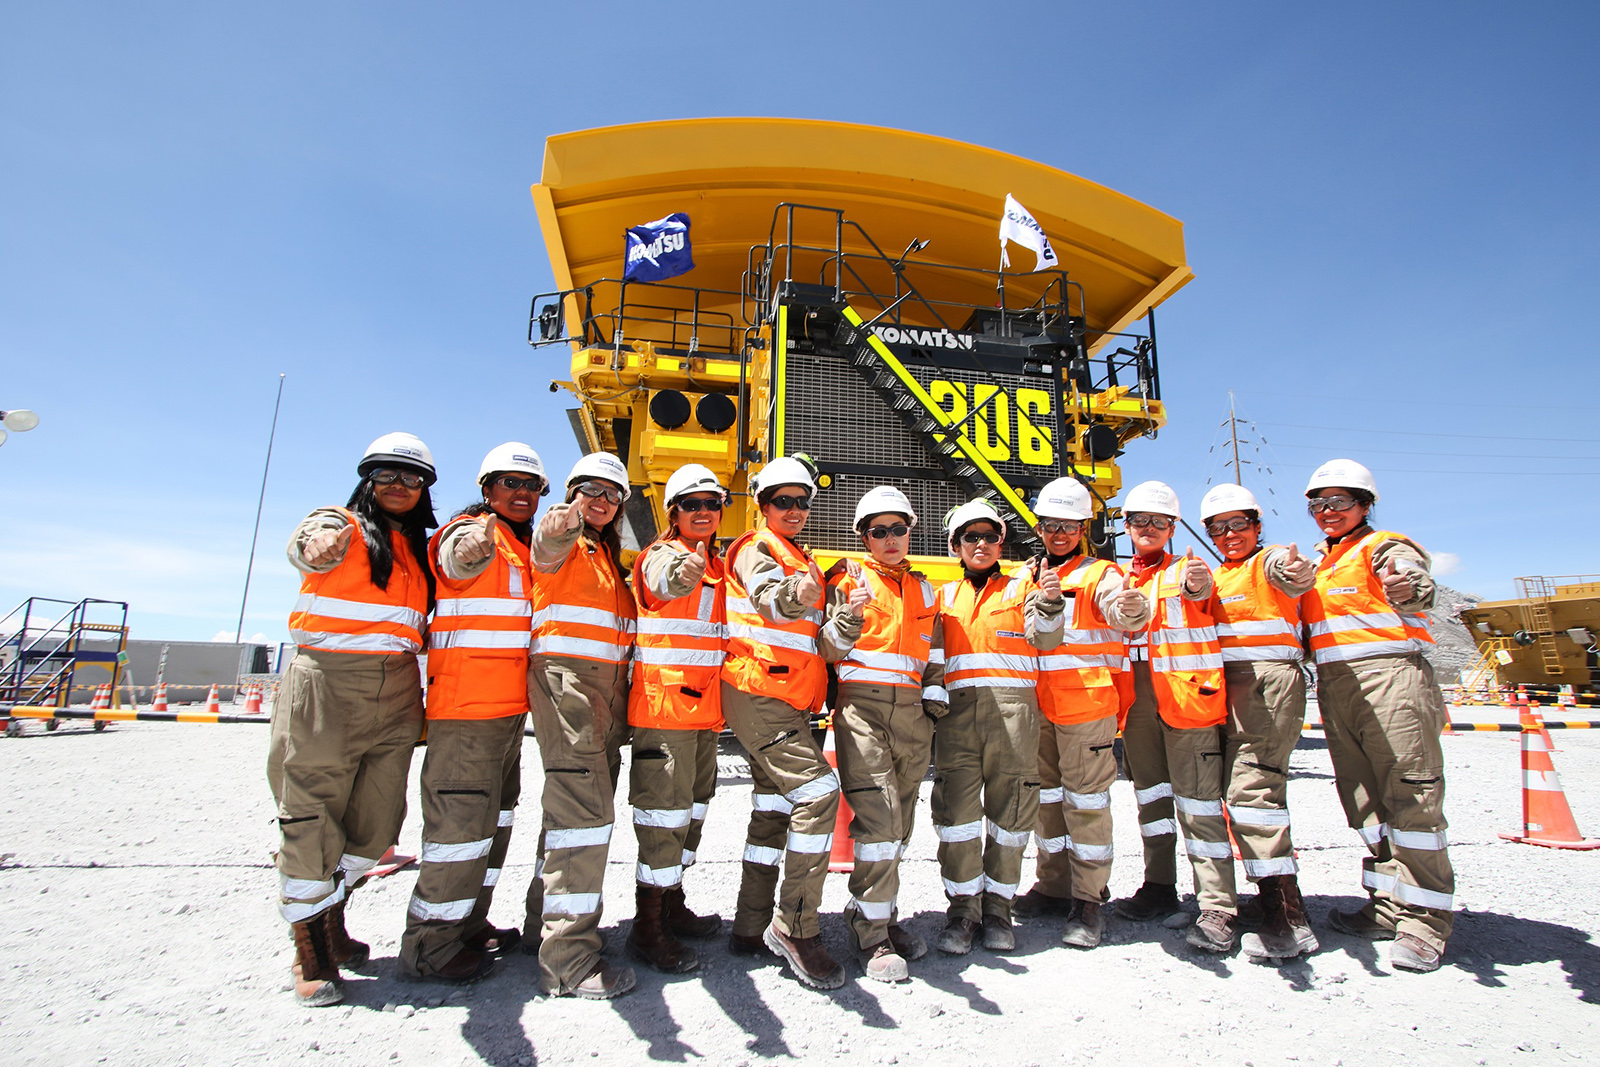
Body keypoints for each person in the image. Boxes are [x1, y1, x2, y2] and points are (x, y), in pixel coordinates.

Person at [271, 432, 437, 1007]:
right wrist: (314, 544)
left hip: (396, 689)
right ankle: (311, 949)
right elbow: (307, 542)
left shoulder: (420, 549)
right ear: (368, 480)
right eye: (386, 476)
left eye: (410, 479)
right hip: (327, 684)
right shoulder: (338, 523)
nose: (398, 486)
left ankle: (332, 916)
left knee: (378, 820)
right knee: (312, 812)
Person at [399, 444, 548, 983]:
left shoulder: (522, 547)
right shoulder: (467, 532)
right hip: (466, 710)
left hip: (507, 712)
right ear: (487, 489)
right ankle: (428, 948)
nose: (522, 493)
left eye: (531, 486)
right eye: (509, 483)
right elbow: (456, 560)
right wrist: (473, 543)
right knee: (458, 829)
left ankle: (467, 923)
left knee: (494, 824)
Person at [1301, 458, 1454, 973]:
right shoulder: (1321, 563)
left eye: (1339, 503)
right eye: (1318, 504)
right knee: (1364, 800)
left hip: (1390, 677)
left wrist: (1409, 587)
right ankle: (1388, 905)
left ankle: (1426, 922)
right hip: (1336, 683)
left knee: (1411, 794)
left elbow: (1414, 581)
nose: (1327, 512)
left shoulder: (1382, 546)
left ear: (1365, 505)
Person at [722, 455, 854, 990]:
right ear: (761, 506)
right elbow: (769, 599)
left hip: (789, 699)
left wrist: (846, 621)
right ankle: (795, 926)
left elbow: (817, 644)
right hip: (759, 694)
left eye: (802, 501)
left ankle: (750, 926)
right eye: (783, 501)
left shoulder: (805, 560)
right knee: (820, 794)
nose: (794, 509)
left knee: (773, 809)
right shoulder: (759, 551)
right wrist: (793, 595)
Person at [1012, 478, 1148, 949]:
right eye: (1051, 525)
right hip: (1038, 708)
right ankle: (1052, 886)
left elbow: (1124, 612)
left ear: (1084, 527)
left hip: (1086, 707)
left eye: (1069, 526)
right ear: (1040, 527)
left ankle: (1089, 900)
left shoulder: (1102, 575)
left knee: (1086, 805)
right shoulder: (1026, 576)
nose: (1059, 533)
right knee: (1046, 803)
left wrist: (1132, 608)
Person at [523, 452, 639, 999]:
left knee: (571, 814)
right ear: (570, 494)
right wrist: (561, 522)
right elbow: (546, 544)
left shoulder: (609, 559)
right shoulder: (565, 541)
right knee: (585, 817)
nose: (600, 499)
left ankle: (539, 929)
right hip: (567, 689)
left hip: (602, 697)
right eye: (588, 489)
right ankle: (569, 961)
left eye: (611, 494)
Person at [820, 486, 946, 982]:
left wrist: (935, 692)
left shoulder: (925, 587)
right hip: (863, 712)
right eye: (879, 531)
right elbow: (829, 649)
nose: (890, 538)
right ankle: (872, 937)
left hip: (914, 715)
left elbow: (934, 650)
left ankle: (881, 915)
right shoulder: (845, 581)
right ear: (863, 537)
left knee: (903, 823)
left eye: (899, 529)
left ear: (910, 531)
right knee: (879, 820)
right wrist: (850, 612)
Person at [932, 498, 1063, 955]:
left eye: (990, 536)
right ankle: (963, 911)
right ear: (956, 546)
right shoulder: (942, 598)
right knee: (958, 818)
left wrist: (1049, 603)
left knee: (1011, 814)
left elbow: (1046, 638)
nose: (982, 544)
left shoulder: (1024, 588)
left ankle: (999, 911)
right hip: (957, 719)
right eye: (972, 537)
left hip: (1015, 716)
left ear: (1001, 543)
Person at [1112, 480, 1239, 954]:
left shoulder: (1190, 569)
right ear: (1126, 526)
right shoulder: (1123, 576)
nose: (1149, 529)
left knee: (1200, 803)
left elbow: (1205, 597)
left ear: (1172, 528)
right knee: (1152, 800)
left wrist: (1199, 586)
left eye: (1159, 522)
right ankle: (1158, 887)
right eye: (1140, 521)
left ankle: (1218, 904)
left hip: (1186, 702)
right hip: (1139, 704)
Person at [1199, 482, 1319, 960]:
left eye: (1239, 525)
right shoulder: (1220, 575)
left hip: (1267, 684)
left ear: (1257, 526)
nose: (1229, 534)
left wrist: (1297, 571)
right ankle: (1259, 899)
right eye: (1218, 527)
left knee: (1254, 794)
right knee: (1233, 797)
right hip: (1227, 685)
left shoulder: (1267, 562)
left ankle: (1287, 918)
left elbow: (1293, 576)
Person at [625, 463, 729, 974]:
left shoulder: (716, 563)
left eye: (713, 504)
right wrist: (678, 573)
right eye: (693, 504)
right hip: (664, 710)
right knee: (662, 818)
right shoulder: (662, 555)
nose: (705, 512)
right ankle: (648, 926)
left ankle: (671, 901)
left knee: (690, 815)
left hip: (703, 712)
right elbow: (660, 582)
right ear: (673, 512)